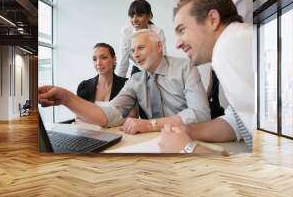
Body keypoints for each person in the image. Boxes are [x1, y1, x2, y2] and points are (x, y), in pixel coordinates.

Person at [39, 29, 210, 135]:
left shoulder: (184, 67)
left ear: (159, 46)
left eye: (141, 48)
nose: (135, 55)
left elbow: (201, 114)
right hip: (155, 145)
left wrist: (151, 125)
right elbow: (109, 115)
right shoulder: (136, 80)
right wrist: (66, 98)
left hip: (191, 137)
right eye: (133, 50)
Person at [159, 0, 254, 153]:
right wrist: (189, 131)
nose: (177, 44)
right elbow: (238, 120)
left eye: (182, 30)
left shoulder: (229, 45)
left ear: (213, 20)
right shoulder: (237, 40)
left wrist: (187, 148)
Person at [116, 0, 167, 78]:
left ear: (149, 16)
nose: (134, 20)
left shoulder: (158, 32)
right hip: (137, 69)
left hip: (155, 70)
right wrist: (117, 84)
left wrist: (165, 79)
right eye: (132, 16)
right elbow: (123, 61)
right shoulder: (126, 32)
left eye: (139, 15)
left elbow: (163, 57)